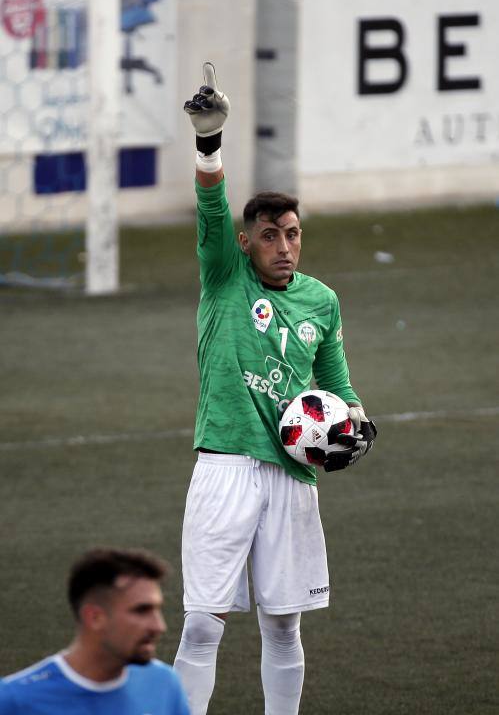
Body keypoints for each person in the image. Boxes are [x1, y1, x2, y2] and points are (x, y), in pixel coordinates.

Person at [173, 63, 377, 715]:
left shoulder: (321, 299)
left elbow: (334, 381)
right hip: (225, 465)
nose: (284, 247)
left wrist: (353, 420)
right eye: (270, 235)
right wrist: (210, 144)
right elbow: (210, 206)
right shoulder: (225, 276)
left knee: (283, 623)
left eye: (292, 234)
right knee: (204, 622)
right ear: (245, 243)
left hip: (291, 476)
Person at [0, 547, 191, 715]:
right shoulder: (14, 702)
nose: (159, 626)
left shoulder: (163, 685)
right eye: (141, 611)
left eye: (157, 610)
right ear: (94, 617)